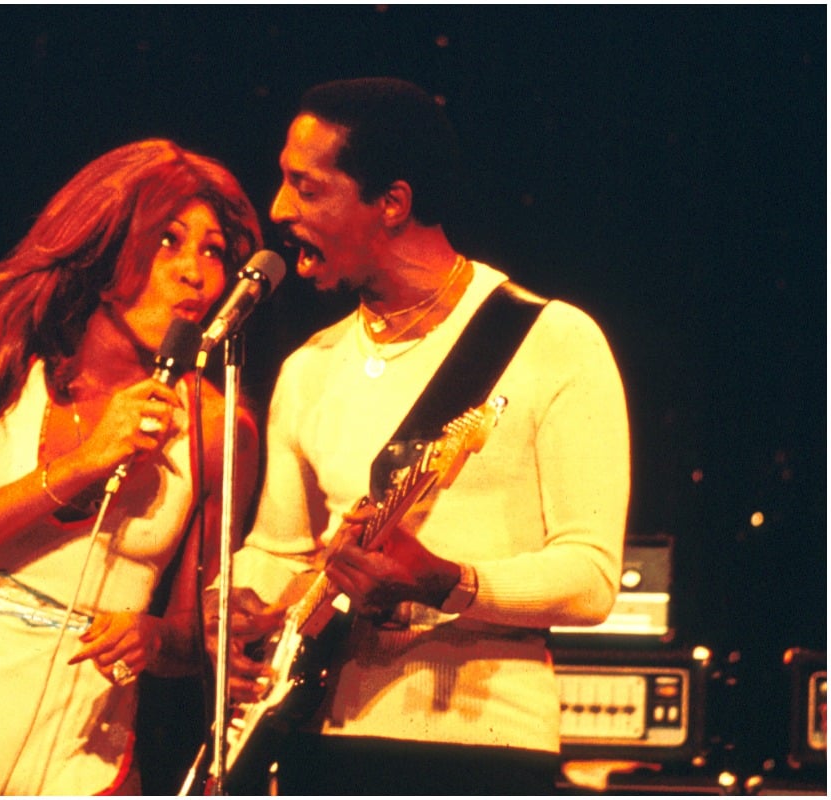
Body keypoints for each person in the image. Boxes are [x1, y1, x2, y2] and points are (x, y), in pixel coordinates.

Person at [206, 77, 631, 795]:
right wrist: (236, 605)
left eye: (305, 189)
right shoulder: (311, 367)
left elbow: (590, 578)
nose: (278, 210)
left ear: (393, 203)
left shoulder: (554, 341)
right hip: (317, 740)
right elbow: (278, 551)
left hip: (481, 746)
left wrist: (447, 582)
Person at [0, 139, 263, 795]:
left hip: (77, 743)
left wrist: (155, 639)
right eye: (168, 241)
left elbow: (193, 635)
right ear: (106, 242)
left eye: (214, 252)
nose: (195, 274)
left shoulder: (218, 427)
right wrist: (83, 465)